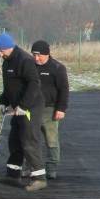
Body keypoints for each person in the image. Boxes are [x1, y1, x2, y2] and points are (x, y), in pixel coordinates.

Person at [0, 34, 47, 191]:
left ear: (9, 47)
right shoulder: (7, 62)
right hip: (18, 108)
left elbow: (34, 84)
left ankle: (39, 177)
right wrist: (4, 102)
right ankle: (13, 175)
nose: (0, 54)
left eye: (1, 51)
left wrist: (24, 105)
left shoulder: (24, 60)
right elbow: (9, 86)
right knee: (14, 139)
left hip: (31, 107)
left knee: (29, 140)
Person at [31, 40, 69, 179]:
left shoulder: (57, 68)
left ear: (47, 54)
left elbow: (64, 89)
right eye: (34, 55)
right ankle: (32, 167)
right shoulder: (30, 66)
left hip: (50, 109)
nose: (36, 58)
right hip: (31, 109)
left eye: (39, 55)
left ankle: (51, 168)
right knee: (29, 139)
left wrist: (61, 108)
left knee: (51, 140)